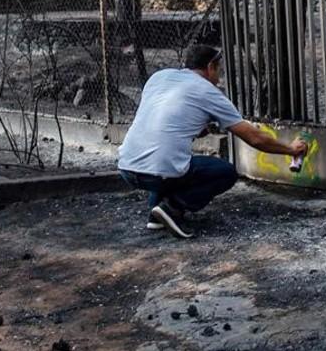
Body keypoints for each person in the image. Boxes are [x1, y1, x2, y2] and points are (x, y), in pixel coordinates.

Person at [117, 44, 307, 238]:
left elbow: (164, 121)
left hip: (127, 167)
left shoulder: (159, 77)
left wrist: (197, 127)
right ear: (210, 67)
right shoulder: (207, 91)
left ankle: (156, 212)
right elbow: (255, 138)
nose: (219, 78)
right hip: (159, 171)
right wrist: (290, 149)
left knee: (170, 159)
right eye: (219, 70)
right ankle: (172, 208)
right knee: (224, 172)